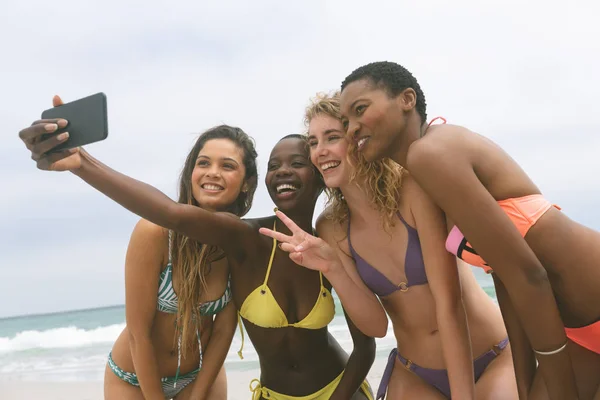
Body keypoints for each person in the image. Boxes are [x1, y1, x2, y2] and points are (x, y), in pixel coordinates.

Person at [18, 97, 375, 400]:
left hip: (339, 389)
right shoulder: (245, 238)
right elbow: (170, 213)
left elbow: (366, 342)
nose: (283, 172)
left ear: (317, 171)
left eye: (297, 163)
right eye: (274, 165)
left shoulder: (334, 237)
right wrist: (83, 164)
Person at [335, 61, 600, 400]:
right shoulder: (425, 171)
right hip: (576, 331)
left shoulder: (431, 152)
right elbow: (506, 277)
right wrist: (525, 383)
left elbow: (529, 276)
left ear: (406, 99)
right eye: (345, 122)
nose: (352, 128)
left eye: (360, 110)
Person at [260, 92, 518, 399]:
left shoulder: (413, 191)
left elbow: (449, 304)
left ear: (358, 139)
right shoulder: (331, 227)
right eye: (314, 142)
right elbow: (377, 326)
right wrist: (332, 268)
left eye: (331, 137)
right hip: (415, 373)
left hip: (490, 357)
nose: (320, 151)